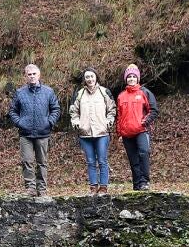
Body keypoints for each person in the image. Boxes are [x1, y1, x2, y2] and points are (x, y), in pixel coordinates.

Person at [9, 64, 60, 196]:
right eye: (29, 74)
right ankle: (30, 188)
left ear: (39, 75)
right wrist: (20, 123)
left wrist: (49, 122)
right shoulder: (20, 93)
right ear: (25, 76)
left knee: (42, 162)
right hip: (25, 134)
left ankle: (42, 189)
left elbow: (55, 109)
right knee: (27, 161)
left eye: (34, 74)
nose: (31, 76)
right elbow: (12, 111)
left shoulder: (48, 91)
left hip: (43, 133)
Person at [69, 67, 116, 195]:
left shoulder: (104, 92)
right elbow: (73, 111)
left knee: (102, 160)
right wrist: (76, 122)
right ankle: (93, 187)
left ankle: (103, 187)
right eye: (87, 77)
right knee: (90, 161)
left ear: (96, 77)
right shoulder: (79, 94)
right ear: (84, 79)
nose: (90, 79)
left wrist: (109, 121)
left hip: (102, 132)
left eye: (92, 76)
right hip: (85, 134)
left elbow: (112, 109)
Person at [116, 64, 159, 191]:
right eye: (129, 77)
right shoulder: (121, 96)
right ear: (126, 79)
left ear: (138, 78)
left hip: (141, 130)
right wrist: (119, 132)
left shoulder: (145, 92)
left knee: (143, 153)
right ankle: (137, 184)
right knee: (133, 159)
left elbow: (154, 110)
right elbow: (119, 115)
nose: (131, 79)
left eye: (134, 76)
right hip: (126, 133)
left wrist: (145, 122)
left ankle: (145, 182)